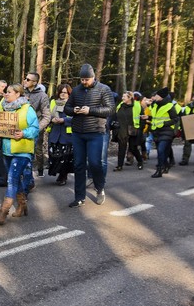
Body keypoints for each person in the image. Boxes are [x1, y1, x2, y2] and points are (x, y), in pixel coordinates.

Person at [64, 64, 114, 207]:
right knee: (78, 165)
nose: (84, 82)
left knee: (94, 163)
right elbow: (67, 108)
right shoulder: (76, 90)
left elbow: (110, 109)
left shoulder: (104, 89)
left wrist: (90, 110)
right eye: (82, 79)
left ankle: (99, 188)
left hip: (96, 132)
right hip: (78, 132)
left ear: (93, 77)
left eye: (86, 79)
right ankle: (79, 197)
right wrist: (74, 110)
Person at [0, 83, 39, 225]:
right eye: (5, 92)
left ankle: (3, 211)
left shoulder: (27, 109)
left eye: (9, 92)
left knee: (12, 179)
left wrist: (24, 133)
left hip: (22, 151)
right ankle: (22, 204)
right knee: (15, 179)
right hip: (7, 150)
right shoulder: (3, 108)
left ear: (18, 94)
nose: (6, 94)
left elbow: (35, 128)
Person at [22, 72, 51, 178]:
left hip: (36, 128)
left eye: (28, 79)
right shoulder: (20, 92)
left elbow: (47, 116)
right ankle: (26, 176)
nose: (25, 81)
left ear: (34, 82)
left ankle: (40, 168)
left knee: (37, 150)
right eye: (25, 78)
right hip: (21, 128)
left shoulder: (42, 96)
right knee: (23, 153)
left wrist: (37, 128)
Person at [148, 87, 179, 178]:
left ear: (161, 97)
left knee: (160, 150)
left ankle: (159, 170)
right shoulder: (155, 105)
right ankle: (166, 165)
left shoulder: (169, 106)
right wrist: (148, 117)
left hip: (167, 131)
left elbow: (175, 119)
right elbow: (155, 118)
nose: (154, 97)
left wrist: (164, 123)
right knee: (163, 151)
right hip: (156, 131)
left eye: (156, 95)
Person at [47, 83, 74, 185]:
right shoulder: (53, 102)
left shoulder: (73, 104)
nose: (63, 94)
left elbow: (76, 118)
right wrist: (52, 119)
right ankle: (57, 173)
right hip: (55, 133)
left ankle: (63, 176)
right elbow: (47, 114)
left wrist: (64, 120)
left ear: (69, 94)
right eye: (61, 92)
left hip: (67, 135)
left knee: (65, 157)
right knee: (54, 156)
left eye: (65, 93)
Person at [113, 91, 144, 172]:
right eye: (122, 96)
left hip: (133, 130)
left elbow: (142, 118)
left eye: (124, 97)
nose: (122, 98)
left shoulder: (137, 105)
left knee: (133, 148)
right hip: (122, 130)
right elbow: (115, 116)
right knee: (121, 148)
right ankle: (119, 166)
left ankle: (140, 161)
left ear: (130, 98)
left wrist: (140, 129)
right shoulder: (120, 105)